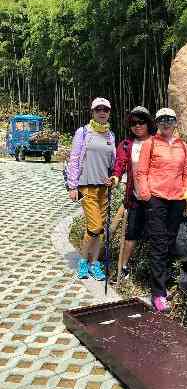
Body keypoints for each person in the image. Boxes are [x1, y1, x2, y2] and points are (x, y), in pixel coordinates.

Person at [135, 107, 187, 313]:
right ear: (157, 123)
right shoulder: (150, 143)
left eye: (170, 119)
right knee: (159, 244)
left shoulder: (182, 145)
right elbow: (140, 172)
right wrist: (146, 194)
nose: (166, 123)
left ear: (175, 122)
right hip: (157, 199)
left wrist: (186, 191)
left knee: (169, 242)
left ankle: (163, 285)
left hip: (176, 200)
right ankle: (158, 294)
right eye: (162, 120)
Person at [67, 98, 115, 280]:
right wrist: (72, 185)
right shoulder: (83, 132)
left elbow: (112, 163)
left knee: (99, 228)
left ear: (109, 112)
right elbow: (74, 158)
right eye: (98, 109)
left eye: (106, 110)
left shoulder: (111, 135)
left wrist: (114, 179)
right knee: (94, 226)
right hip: (87, 187)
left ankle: (94, 263)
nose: (102, 113)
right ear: (92, 112)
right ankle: (82, 261)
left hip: (104, 188)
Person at [109, 106, 156, 281]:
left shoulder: (156, 142)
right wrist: (115, 178)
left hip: (156, 198)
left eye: (142, 122)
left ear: (148, 123)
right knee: (131, 233)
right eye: (134, 123)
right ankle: (123, 269)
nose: (138, 126)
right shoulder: (126, 144)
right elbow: (119, 165)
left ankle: (156, 272)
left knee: (157, 234)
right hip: (135, 196)